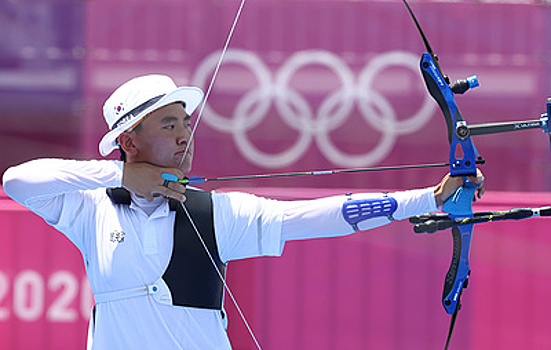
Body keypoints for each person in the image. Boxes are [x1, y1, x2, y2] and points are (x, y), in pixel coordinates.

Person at [2, 74, 484, 349]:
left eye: (186, 123)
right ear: (127, 142)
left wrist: (429, 199)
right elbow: (17, 181)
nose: (184, 135)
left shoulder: (219, 214)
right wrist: (123, 178)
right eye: (169, 125)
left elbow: (322, 216)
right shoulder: (91, 209)